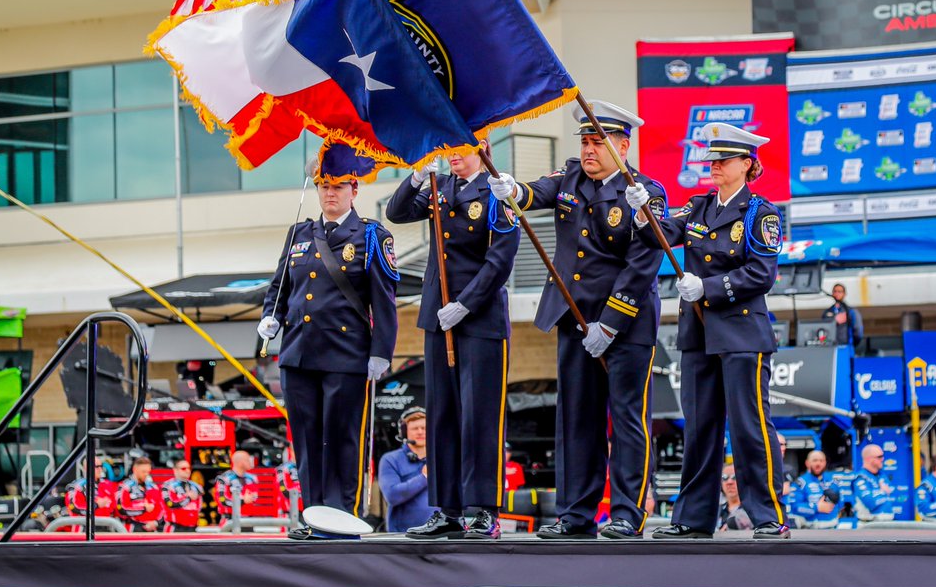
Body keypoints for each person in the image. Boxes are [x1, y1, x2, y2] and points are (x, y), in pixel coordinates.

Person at [489, 101, 666, 540]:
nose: (588, 151)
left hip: (624, 322)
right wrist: (511, 187)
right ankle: (575, 513)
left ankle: (627, 513)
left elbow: (643, 263)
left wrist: (609, 323)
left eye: (597, 143)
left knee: (626, 418)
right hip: (572, 317)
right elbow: (534, 195)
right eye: (585, 142)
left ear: (622, 147)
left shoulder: (644, 192)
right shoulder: (568, 176)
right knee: (575, 419)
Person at [629, 122, 790, 540]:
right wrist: (641, 208)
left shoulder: (761, 213)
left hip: (741, 334)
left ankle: (768, 514)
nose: (714, 165)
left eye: (723, 160)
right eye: (712, 159)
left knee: (749, 426)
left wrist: (710, 287)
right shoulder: (698, 207)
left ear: (747, 165)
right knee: (700, 428)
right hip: (698, 334)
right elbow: (659, 235)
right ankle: (693, 518)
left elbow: (762, 273)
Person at [258, 143, 399, 538]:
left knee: (342, 438)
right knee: (306, 439)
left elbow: (383, 301)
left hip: (346, 354)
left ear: (355, 189)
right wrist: (270, 315)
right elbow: (281, 284)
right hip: (299, 352)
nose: (329, 193)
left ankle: (340, 515)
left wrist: (380, 352)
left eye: (338, 186)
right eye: (323, 186)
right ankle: (312, 515)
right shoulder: (300, 233)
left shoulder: (371, 236)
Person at [386, 141, 519, 540]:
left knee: (480, 416)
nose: (453, 157)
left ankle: (482, 509)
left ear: (483, 150)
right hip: (437, 316)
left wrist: (466, 304)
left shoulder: (494, 190)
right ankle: (448, 508)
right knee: (442, 414)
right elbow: (397, 212)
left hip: (478, 318)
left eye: (461, 150)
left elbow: (501, 259)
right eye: (449, 151)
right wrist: (415, 173)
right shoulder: (438, 183)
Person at [377, 406, 435, 534]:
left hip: (439, 535)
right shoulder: (390, 459)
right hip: (403, 536)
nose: (420, 432)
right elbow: (392, 495)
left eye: (424, 428)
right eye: (415, 428)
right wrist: (424, 477)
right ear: (404, 432)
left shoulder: (441, 459)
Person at [789, 450, 842, 529]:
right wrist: (816, 508)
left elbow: (841, 503)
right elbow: (795, 508)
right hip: (811, 530)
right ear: (807, 463)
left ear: (825, 463)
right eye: (815, 460)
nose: (818, 464)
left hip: (833, 528)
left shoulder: (833, 481)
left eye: (821, 461)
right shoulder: (800, 483)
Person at [117, 456, 164, 532]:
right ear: (134, 469)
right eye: (143, 471)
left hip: (152, 528)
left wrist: (156, 522)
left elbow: (162, 508)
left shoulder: (153, 487)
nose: (146, 474)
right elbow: (121, 509)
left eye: (148, 472)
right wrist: (143, 508)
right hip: (132, 528)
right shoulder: (124, 486)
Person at [852, 443, 896, 523]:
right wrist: (882, 492)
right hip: (870, 525)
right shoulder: (861, 478)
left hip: (886, 523)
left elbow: (890, 493)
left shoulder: (881, 475)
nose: (883, 459)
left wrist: (878, 493)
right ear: (868, 459)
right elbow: (871, 503)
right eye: (879, 457)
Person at [214, 449, 260, 524]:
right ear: (240, 463)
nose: (251, 462)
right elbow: (222, 501)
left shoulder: (252, 478)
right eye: (247, 460)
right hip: (229, 521)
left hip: (248, 521)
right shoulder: (224, 479)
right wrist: (242, 501)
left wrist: (248, 499)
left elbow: (255, 497)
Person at [161, 459, 203, 533]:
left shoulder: (196, 486)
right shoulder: (167, 485)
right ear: (175, 470)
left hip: (192, 528)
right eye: (183, 468)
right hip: (175, 528)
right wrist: (188, 498)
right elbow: (170, 504)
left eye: (189, 468)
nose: (187, 470)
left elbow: (199, 507)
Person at [821, 283, 864, 348]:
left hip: (845, 347)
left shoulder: (851, 311)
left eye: (839, 292)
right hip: (830, 348)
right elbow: (822, 332)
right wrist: (834, 321)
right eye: (835, 291)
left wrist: (851, 344)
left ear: (844, 294)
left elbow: (858, 331)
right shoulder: (827, 312)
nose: (837, 294)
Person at [717, 460, 752, 532]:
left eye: (735, 477)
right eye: (724, 477)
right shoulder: (715, 511)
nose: (729, 482)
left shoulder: (753, 511)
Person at [277, 447, 302, 517]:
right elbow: (283, 489)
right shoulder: (284, 468)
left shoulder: (308, 466)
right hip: (290, 509)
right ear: (291, 451)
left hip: (307, 507)